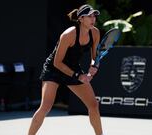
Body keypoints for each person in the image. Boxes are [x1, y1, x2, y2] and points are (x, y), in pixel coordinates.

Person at [28, 4, 105, 135]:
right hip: (53, 69)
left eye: (94, 16)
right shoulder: (68, 35)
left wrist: (94, 65)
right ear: (81, 19)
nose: (93, 19)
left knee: (93, 105)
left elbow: (94, 56)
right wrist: (78, 76)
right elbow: (57, 62)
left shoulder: (95, 33)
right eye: (89, 16)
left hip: (73, 67)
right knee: (46, 106)